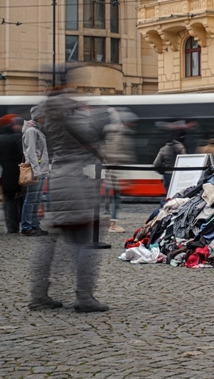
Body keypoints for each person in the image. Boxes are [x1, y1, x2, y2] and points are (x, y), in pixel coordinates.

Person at [28, 91, 109, 312]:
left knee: (53, 241)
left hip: (58, 179)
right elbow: (91, 134)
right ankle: (84, 297)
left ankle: (39, 294)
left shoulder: (49, 117)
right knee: (85, 240)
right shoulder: (73, 116)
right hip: (75, 181)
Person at [102, 109, 137, 233]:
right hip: (116, 171)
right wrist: (127, 159)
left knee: (113, 197)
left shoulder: (112, 133)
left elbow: (105, 152)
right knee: (116, 198)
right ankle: (113, 223)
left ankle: (112, 221)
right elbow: (116, 154)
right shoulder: (120, 134)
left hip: (112, 170)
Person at [0, 116, 25, 234]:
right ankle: (25, 224)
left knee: (9, 201)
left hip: (6, 174)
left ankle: (12, 227)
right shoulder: (21, 137)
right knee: (23, 199)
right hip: (22, 173)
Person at [20, 105, 49, 236]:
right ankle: (26, 226)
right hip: (35, 170)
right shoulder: (31, 131)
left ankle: (34, 225)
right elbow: (31, 152)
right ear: (39, 116)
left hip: (40, 169)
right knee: (31, 199)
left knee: (36, 199)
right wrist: (36, 170)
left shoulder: (36, 129)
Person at [153, 127, 187, 193]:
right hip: (178, 174)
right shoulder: (181, 147)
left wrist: (162, 171)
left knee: (168, 193)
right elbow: (184, 161)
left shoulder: (163, 148)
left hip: (167, 174)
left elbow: (156, 163)